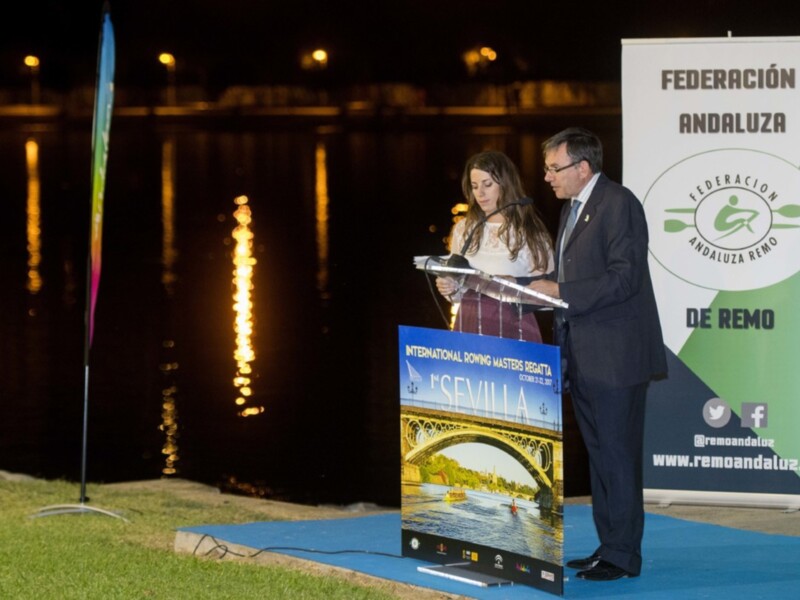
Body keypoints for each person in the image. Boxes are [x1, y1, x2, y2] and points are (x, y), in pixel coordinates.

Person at [527, 127, 667, 581]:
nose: (547, 176)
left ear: (582, 168)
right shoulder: (573, 209)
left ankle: (624, 556)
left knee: (619, 458)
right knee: (601, 458)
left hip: (616, 358)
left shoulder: (618, 204)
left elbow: (624, 278)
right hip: (583, 357)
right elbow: (573, 274)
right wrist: (530, 288)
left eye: (554, 167)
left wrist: (561, 290)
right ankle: (609, 546)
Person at [435, 150, 553, 342]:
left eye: (487, 185)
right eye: (474, 186)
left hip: (513, 330)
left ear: (506, 184)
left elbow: (549, 295)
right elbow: (457, 295)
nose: (480, 193)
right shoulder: (463, 229)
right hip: (468, 326)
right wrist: (450, 287)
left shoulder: (530, 233)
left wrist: (510, 285)